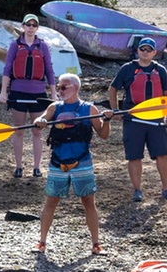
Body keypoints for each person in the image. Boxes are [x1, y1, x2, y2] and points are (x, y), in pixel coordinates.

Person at [32, 73, 112, 255]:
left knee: (88, 202)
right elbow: (42, 118)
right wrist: (40, 121)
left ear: (75, 88)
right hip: (57, 162)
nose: (59, 90)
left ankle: (96, 244)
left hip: (82, 162)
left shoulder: (89, 109)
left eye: (63, 87)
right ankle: (42, 242)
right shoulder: (54, 108)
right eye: (58, 87)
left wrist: (106, 121)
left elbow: (104, 134)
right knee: (51, 201)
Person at [107, 37, 167, 203]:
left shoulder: (160, 71)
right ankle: (137, 190)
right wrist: (115, 109)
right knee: (134, 156)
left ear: (154, 53)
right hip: (133, 119)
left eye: (149, 50)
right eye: (142, 49)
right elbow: (113, 89)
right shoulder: (127, 69)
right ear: (138, 51)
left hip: (155, 118)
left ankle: (166, 189)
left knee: (162, 154)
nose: (145, 52)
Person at [0, 14, 58, 178]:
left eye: (34, 25)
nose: (31, 27)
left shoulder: (43, 46)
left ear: (37, 28)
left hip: (38, 94)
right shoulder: (15, 46)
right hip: (18, 91)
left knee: (37, 131)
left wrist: (53, 94)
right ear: (23, 26)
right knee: (18, 131)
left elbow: (49, 71)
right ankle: (18, 167)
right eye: (28, 24)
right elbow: (7, 69)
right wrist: (3, 92)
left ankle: (37, 167)